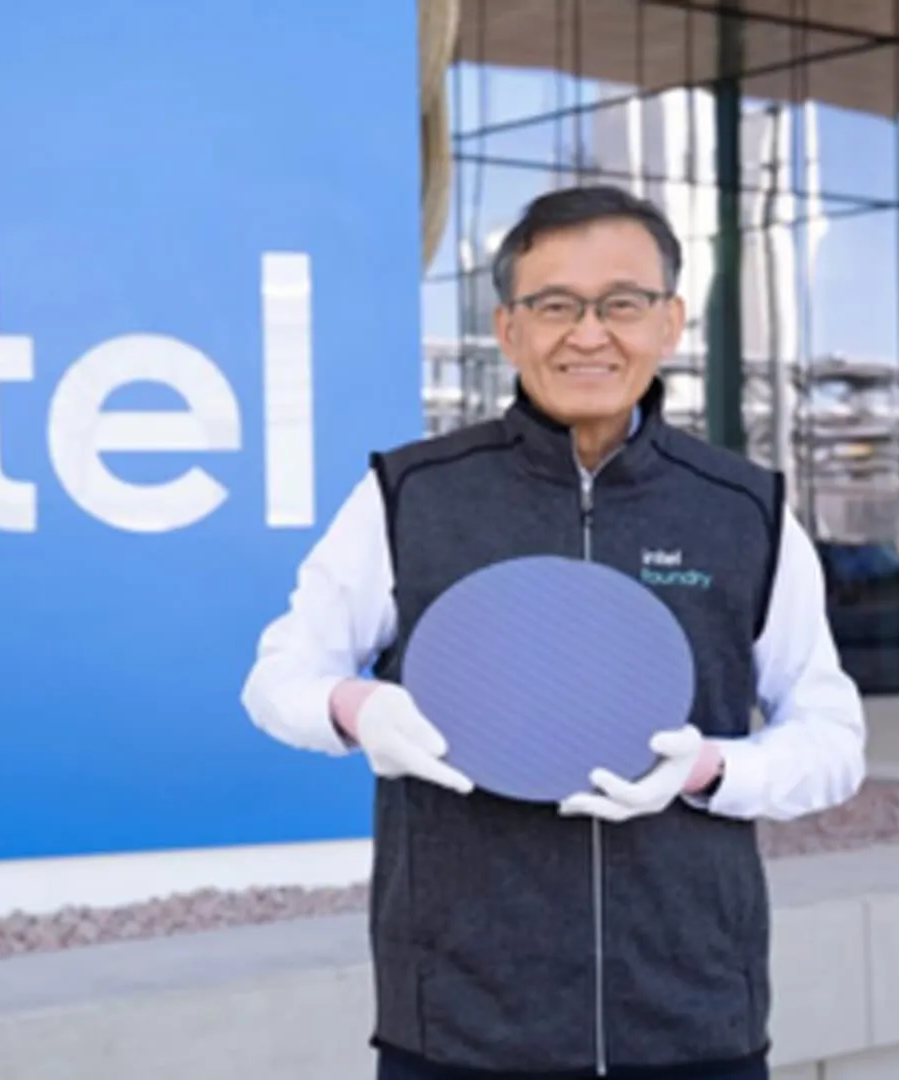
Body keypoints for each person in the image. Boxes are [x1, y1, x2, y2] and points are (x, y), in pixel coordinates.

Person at [240, 184, 866, 1080]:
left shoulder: (745, 511)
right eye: (555, 306)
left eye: (621, 303)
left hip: (692, 1020)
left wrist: (712, 770)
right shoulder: (410, 496)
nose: (588, 333)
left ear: (670, 322)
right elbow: (277, 676)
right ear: (508, 329)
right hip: (459, 1026)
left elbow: (833, 737)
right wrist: (355, 708)